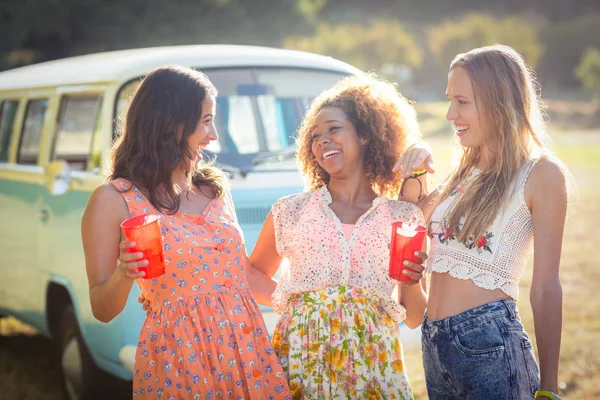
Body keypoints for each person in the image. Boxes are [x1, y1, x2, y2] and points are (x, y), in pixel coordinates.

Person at [81, 65, 291, 399]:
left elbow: (241, 276)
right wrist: (125, 273)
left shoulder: (214, 189)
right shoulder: (113, 199)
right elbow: (101, 309)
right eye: (207, 120)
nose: (214, 135)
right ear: (170, 123)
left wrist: (303, 302)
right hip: (180, 354)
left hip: (245, 348)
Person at [247, 74, 431, 399]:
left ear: (364, 135)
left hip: (373, 365)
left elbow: (414, 317)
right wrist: (297, 302)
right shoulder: (290, 211)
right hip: (302, 359)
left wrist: (413, 280)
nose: (322, 141)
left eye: (334, 129)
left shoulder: (402, 217)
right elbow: (251, 273)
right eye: (315, 136)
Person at [420, 45, 573, 400]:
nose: (449, 114)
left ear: (498, 101)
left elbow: (546, 287)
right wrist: (416, 153)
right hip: (434, 343)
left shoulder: (542, 174)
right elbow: (410, 221)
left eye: (461, 102)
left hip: (489, 343)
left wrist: (549, 386)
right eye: (449, 100)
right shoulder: (462, 171)